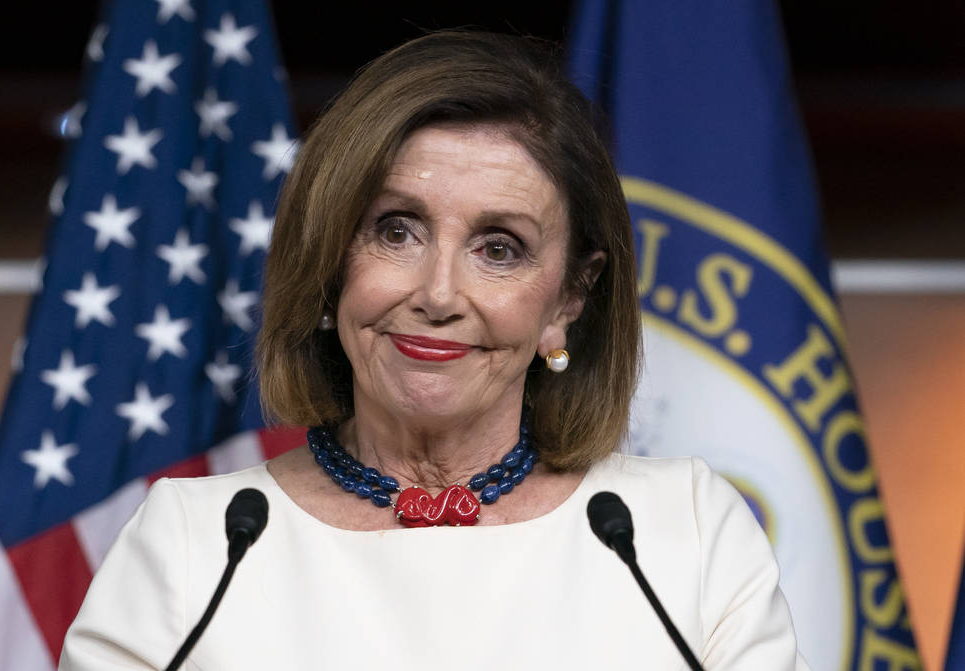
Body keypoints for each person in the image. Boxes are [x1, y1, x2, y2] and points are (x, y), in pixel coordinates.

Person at [59, 31, 809, 670]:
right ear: (328, 260)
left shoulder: (677, 533)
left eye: (499, 248)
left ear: (569, 300)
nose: (439, 292)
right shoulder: (199, 546)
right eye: (396, 230)